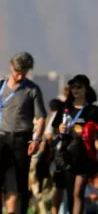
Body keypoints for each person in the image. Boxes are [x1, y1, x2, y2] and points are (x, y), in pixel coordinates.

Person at [0, 52, 47, 214]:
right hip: (1, 138)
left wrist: (36, 140)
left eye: (24, 72)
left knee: (19, 184)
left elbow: (41, 117)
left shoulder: (32, 90)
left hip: (21, 140)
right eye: (17, 72)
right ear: (10, 67)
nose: (20, 76)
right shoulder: (0, 87)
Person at [52, 75, 98, 214]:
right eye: (73, 87)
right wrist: (60, 128)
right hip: (67, 154)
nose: (75, 90)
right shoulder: (64, 109)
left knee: (78, 192)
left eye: (79, 87)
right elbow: (55, 127)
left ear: (86, 89)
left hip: (86, 154)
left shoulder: (94, 110)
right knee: (69, 192)